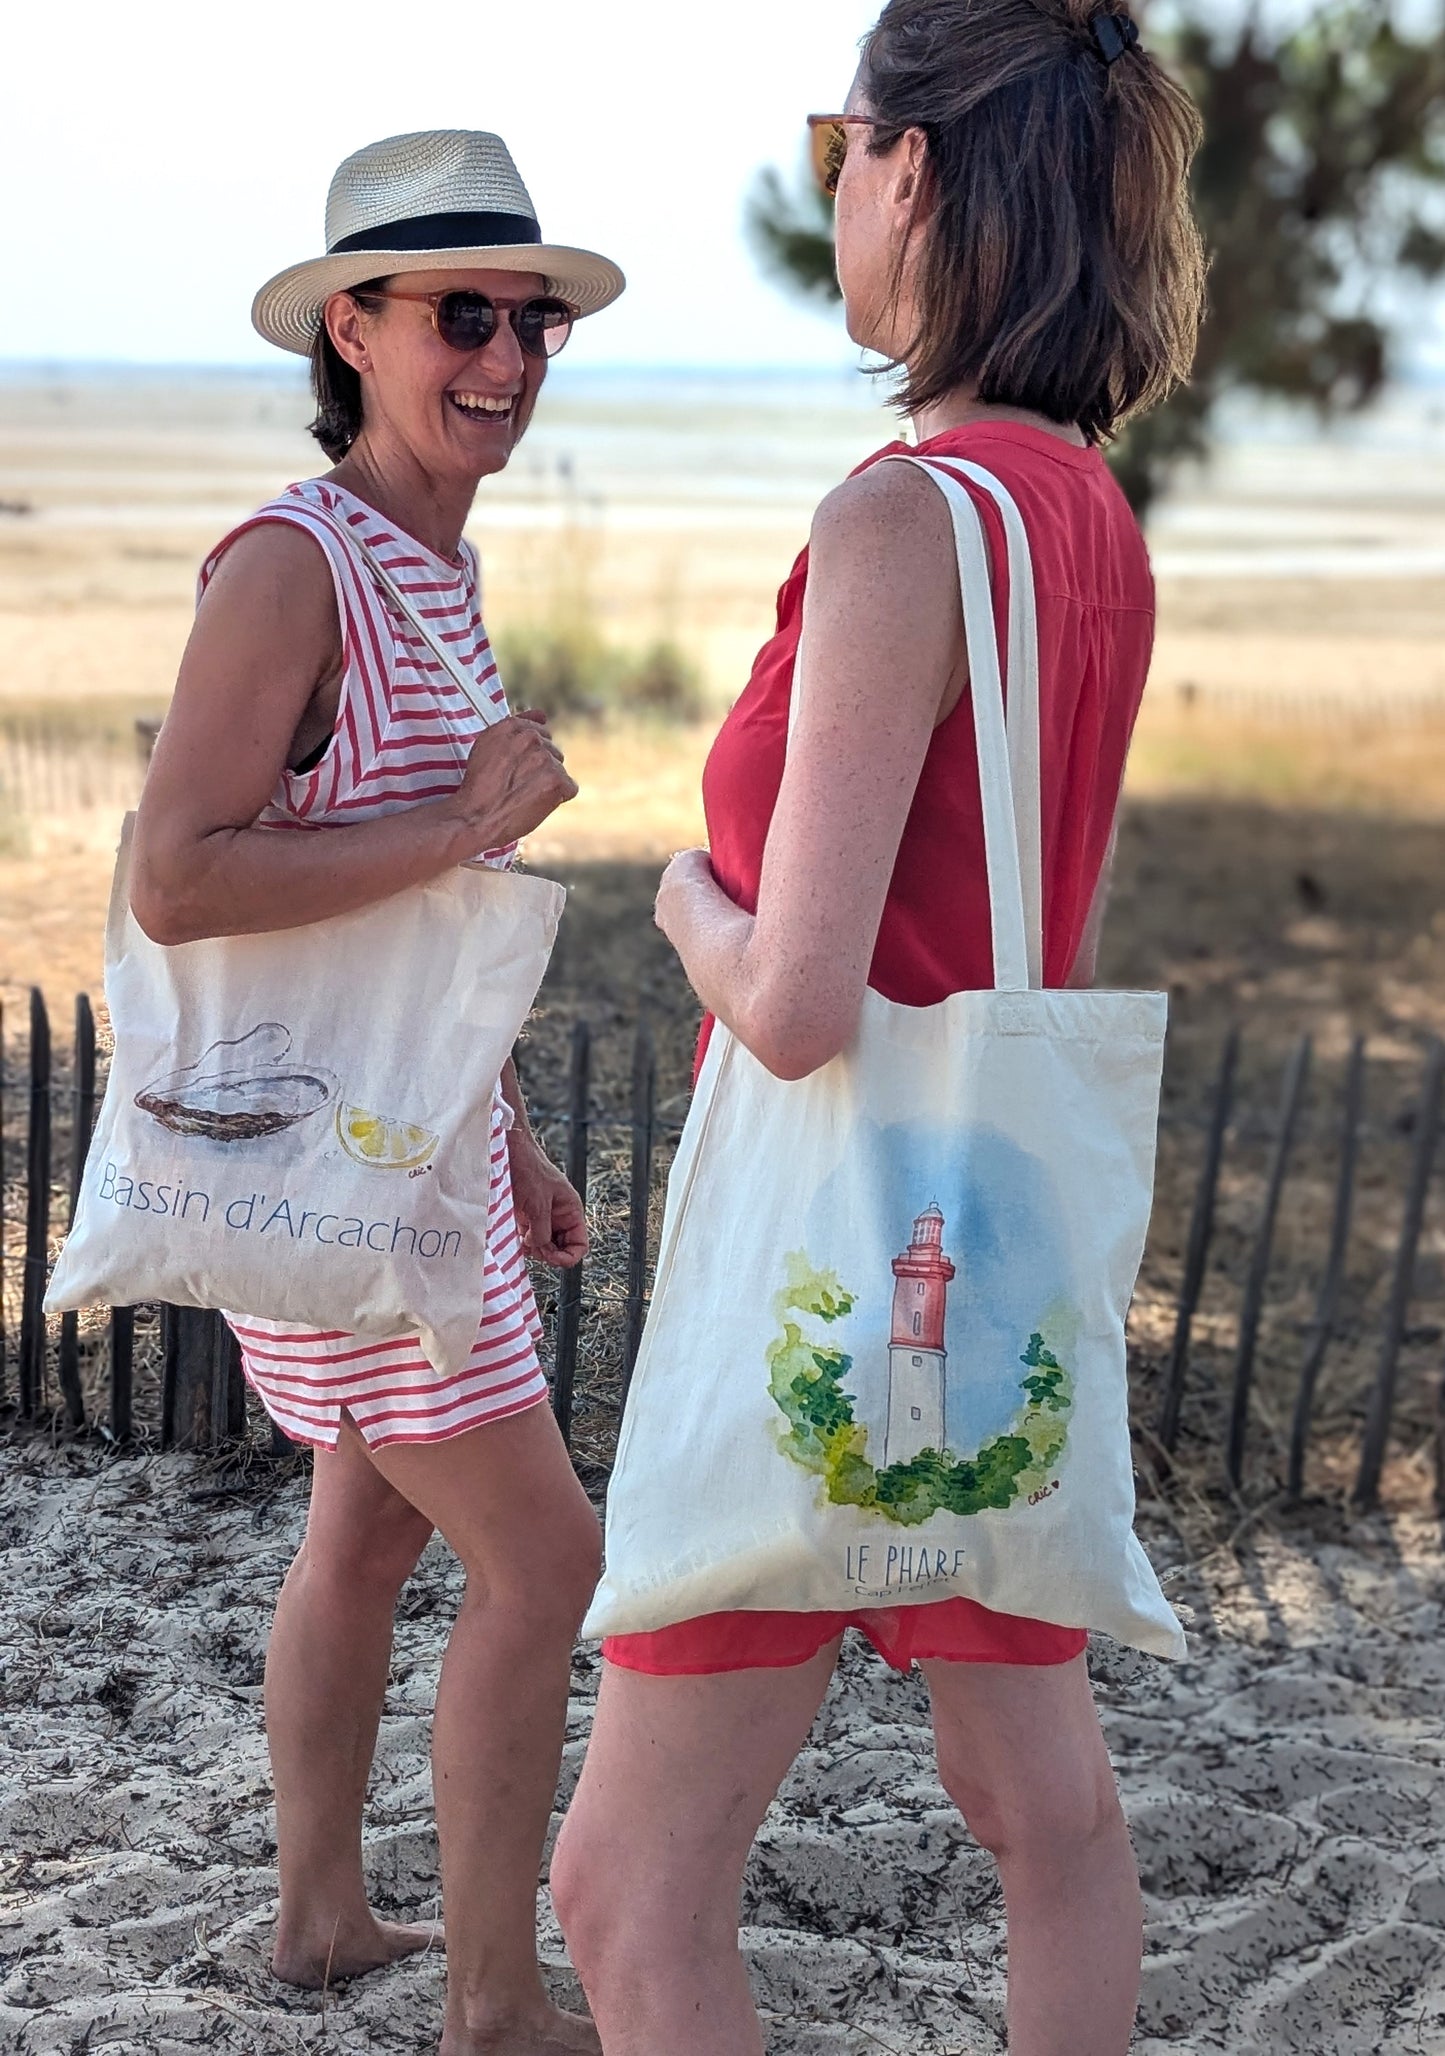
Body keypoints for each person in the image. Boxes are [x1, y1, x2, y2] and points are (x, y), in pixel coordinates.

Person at [551, 7, 1205, 2053]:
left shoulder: (899, 521)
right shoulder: (1081, 511)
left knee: (626, 1893)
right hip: (990, 1241)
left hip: (824, 1273)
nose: (835, 184)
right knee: (1042, 1816)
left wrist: (682, 892)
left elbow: (799, 1000)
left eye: (845, 144)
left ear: (910, 168)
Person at [130, 130, 624, 2056]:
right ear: (352, 327)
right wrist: (461, 826)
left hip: (407, 1156)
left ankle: (323, 1919)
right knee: (548, 1562)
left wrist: (508, 1138)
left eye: (534, 323)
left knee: (366, 1533)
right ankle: (495, 2007)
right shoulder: (292, 566)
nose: (505, 358)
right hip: (328, 1168)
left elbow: (411, 932)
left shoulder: (434, 560)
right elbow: (178, 878)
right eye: (460, 317)